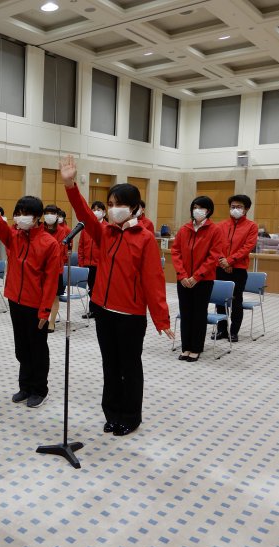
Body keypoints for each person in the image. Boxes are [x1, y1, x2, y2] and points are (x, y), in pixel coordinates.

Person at [62, 155, 173, 437]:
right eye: (110, 205)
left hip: (131, 316)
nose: (113, 210)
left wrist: (161, 319)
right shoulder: (106, 233)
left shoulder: (145, 238)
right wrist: (70, 184)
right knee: (110, 366)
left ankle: (130, 415)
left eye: (119, 205)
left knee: (129, 367)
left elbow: (153, 281)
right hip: (103, 310)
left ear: (135, 207)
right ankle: (111, 413)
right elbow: (85, 214)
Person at [0, 168, 60, 409]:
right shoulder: (13, 236)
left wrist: (46, 311)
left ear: (37, 218)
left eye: (27, 214)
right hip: (15, 300)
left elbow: (50, 281)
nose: (21, 217)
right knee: (21, 347)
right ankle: (24, 386)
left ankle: (39, 388)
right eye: (19, 213)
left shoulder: (49, 244)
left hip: (36, 305)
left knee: (37, 348)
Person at [170, 196, 223, 362]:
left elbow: (213, 256)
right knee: (186, 313)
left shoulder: (215, 230)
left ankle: (196, 348)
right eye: (195, 207)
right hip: (184, 280)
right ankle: (186, 347)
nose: (197, 210)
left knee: (198, 314)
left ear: (208, 211)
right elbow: (176, 251)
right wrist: (182, 275)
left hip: (203, 280)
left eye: (201, 207)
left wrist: (196, 276)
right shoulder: (184, 229)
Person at [214, 194, 258, 342]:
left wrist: (230, 261)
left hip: (238, 268)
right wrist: (223, 261)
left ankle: (234, 331)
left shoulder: (251, 226)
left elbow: (247, 247)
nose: (235, 209)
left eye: (239, 207)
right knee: (220, 300)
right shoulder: (221, 225)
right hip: (220, 267)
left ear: (246, 209)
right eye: (233, 206)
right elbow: (215, 245)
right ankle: (221, 330)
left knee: (236, 300)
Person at [78, 201, 106, 319]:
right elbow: (81, 246)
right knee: (91, 288)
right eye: (93, 209)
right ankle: (94, 309)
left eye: (98, 209)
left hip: (99, 264)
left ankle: (98, 310)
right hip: (87, 264)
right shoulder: (86, 228)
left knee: (98, 289)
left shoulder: (106, 227)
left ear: (104, 212)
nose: (96, 212)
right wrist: (81, 262)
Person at [42, 204, 67, 332]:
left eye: (52, 213)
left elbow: (58, 249)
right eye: (47, 213)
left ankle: (52, 322)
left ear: (57, 215)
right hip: (41, 268)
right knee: (42, 295)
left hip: (56, 269)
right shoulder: (41, 228)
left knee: (54, 297)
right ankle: (43, 319)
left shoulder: (61, 230)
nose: (49, 215)